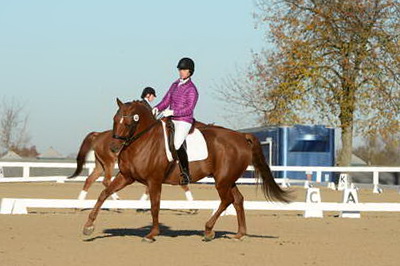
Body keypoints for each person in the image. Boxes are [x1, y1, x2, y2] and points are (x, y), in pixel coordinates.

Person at [152, 57, 199, 185]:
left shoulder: (192, 89)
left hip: (184, 120)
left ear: (190, 72)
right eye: (180, 69)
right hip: (171, 118)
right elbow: (166, 100)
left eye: (184, 70)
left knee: (177, 143)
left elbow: (189, 109)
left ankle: (185, 173)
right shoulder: (174, 85)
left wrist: (172, 112)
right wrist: (157, 108)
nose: (181, 72)